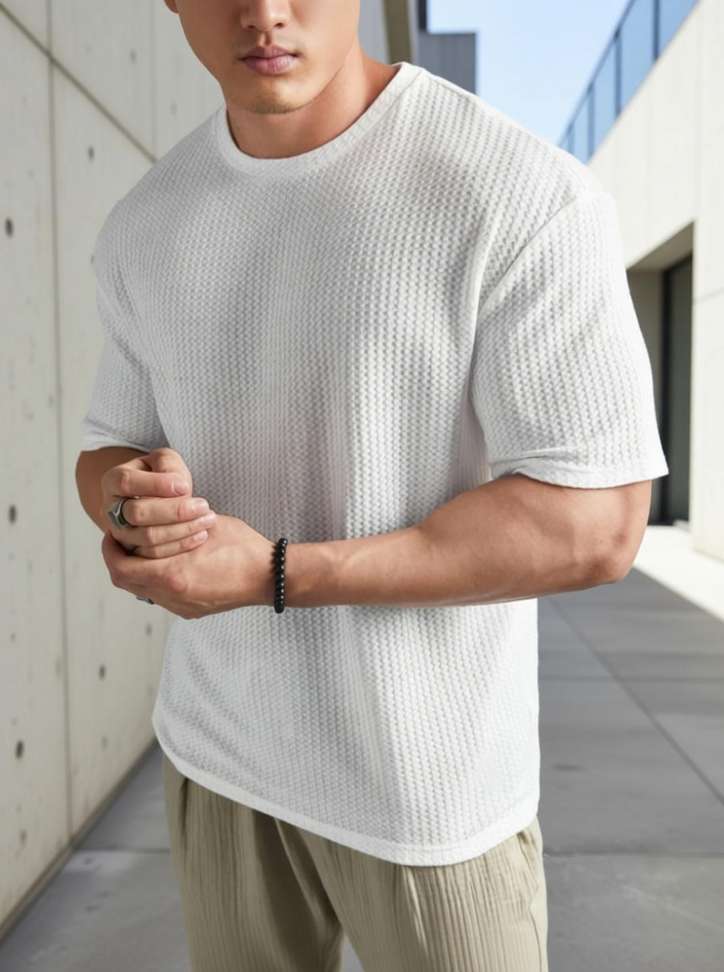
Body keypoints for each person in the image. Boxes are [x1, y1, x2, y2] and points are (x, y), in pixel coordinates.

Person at [75, 1, 669, 969]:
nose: (265, 12)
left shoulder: (517, 191)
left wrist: (274, 571)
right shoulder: (147, 222)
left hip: (431, 794)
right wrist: (129, 503)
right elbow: (110, 445)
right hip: (219, 756)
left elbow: (597, 524)